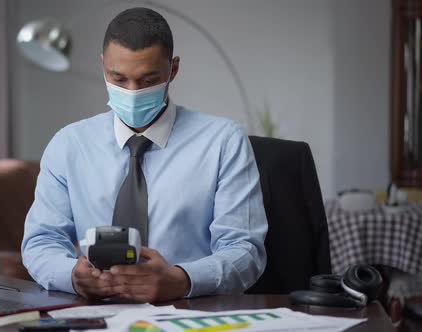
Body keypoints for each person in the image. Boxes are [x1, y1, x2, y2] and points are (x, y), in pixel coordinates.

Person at [22, 7, 267, 302]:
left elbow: (244, 251)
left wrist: (181, 280)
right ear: (103, 66)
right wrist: (72, 275)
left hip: (187, 311)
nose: (133, 91)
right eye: (119, 78)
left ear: (173, 69)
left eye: (148, 81)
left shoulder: (224, 142)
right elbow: (41, 241)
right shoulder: (69, 145)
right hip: (96, 314)